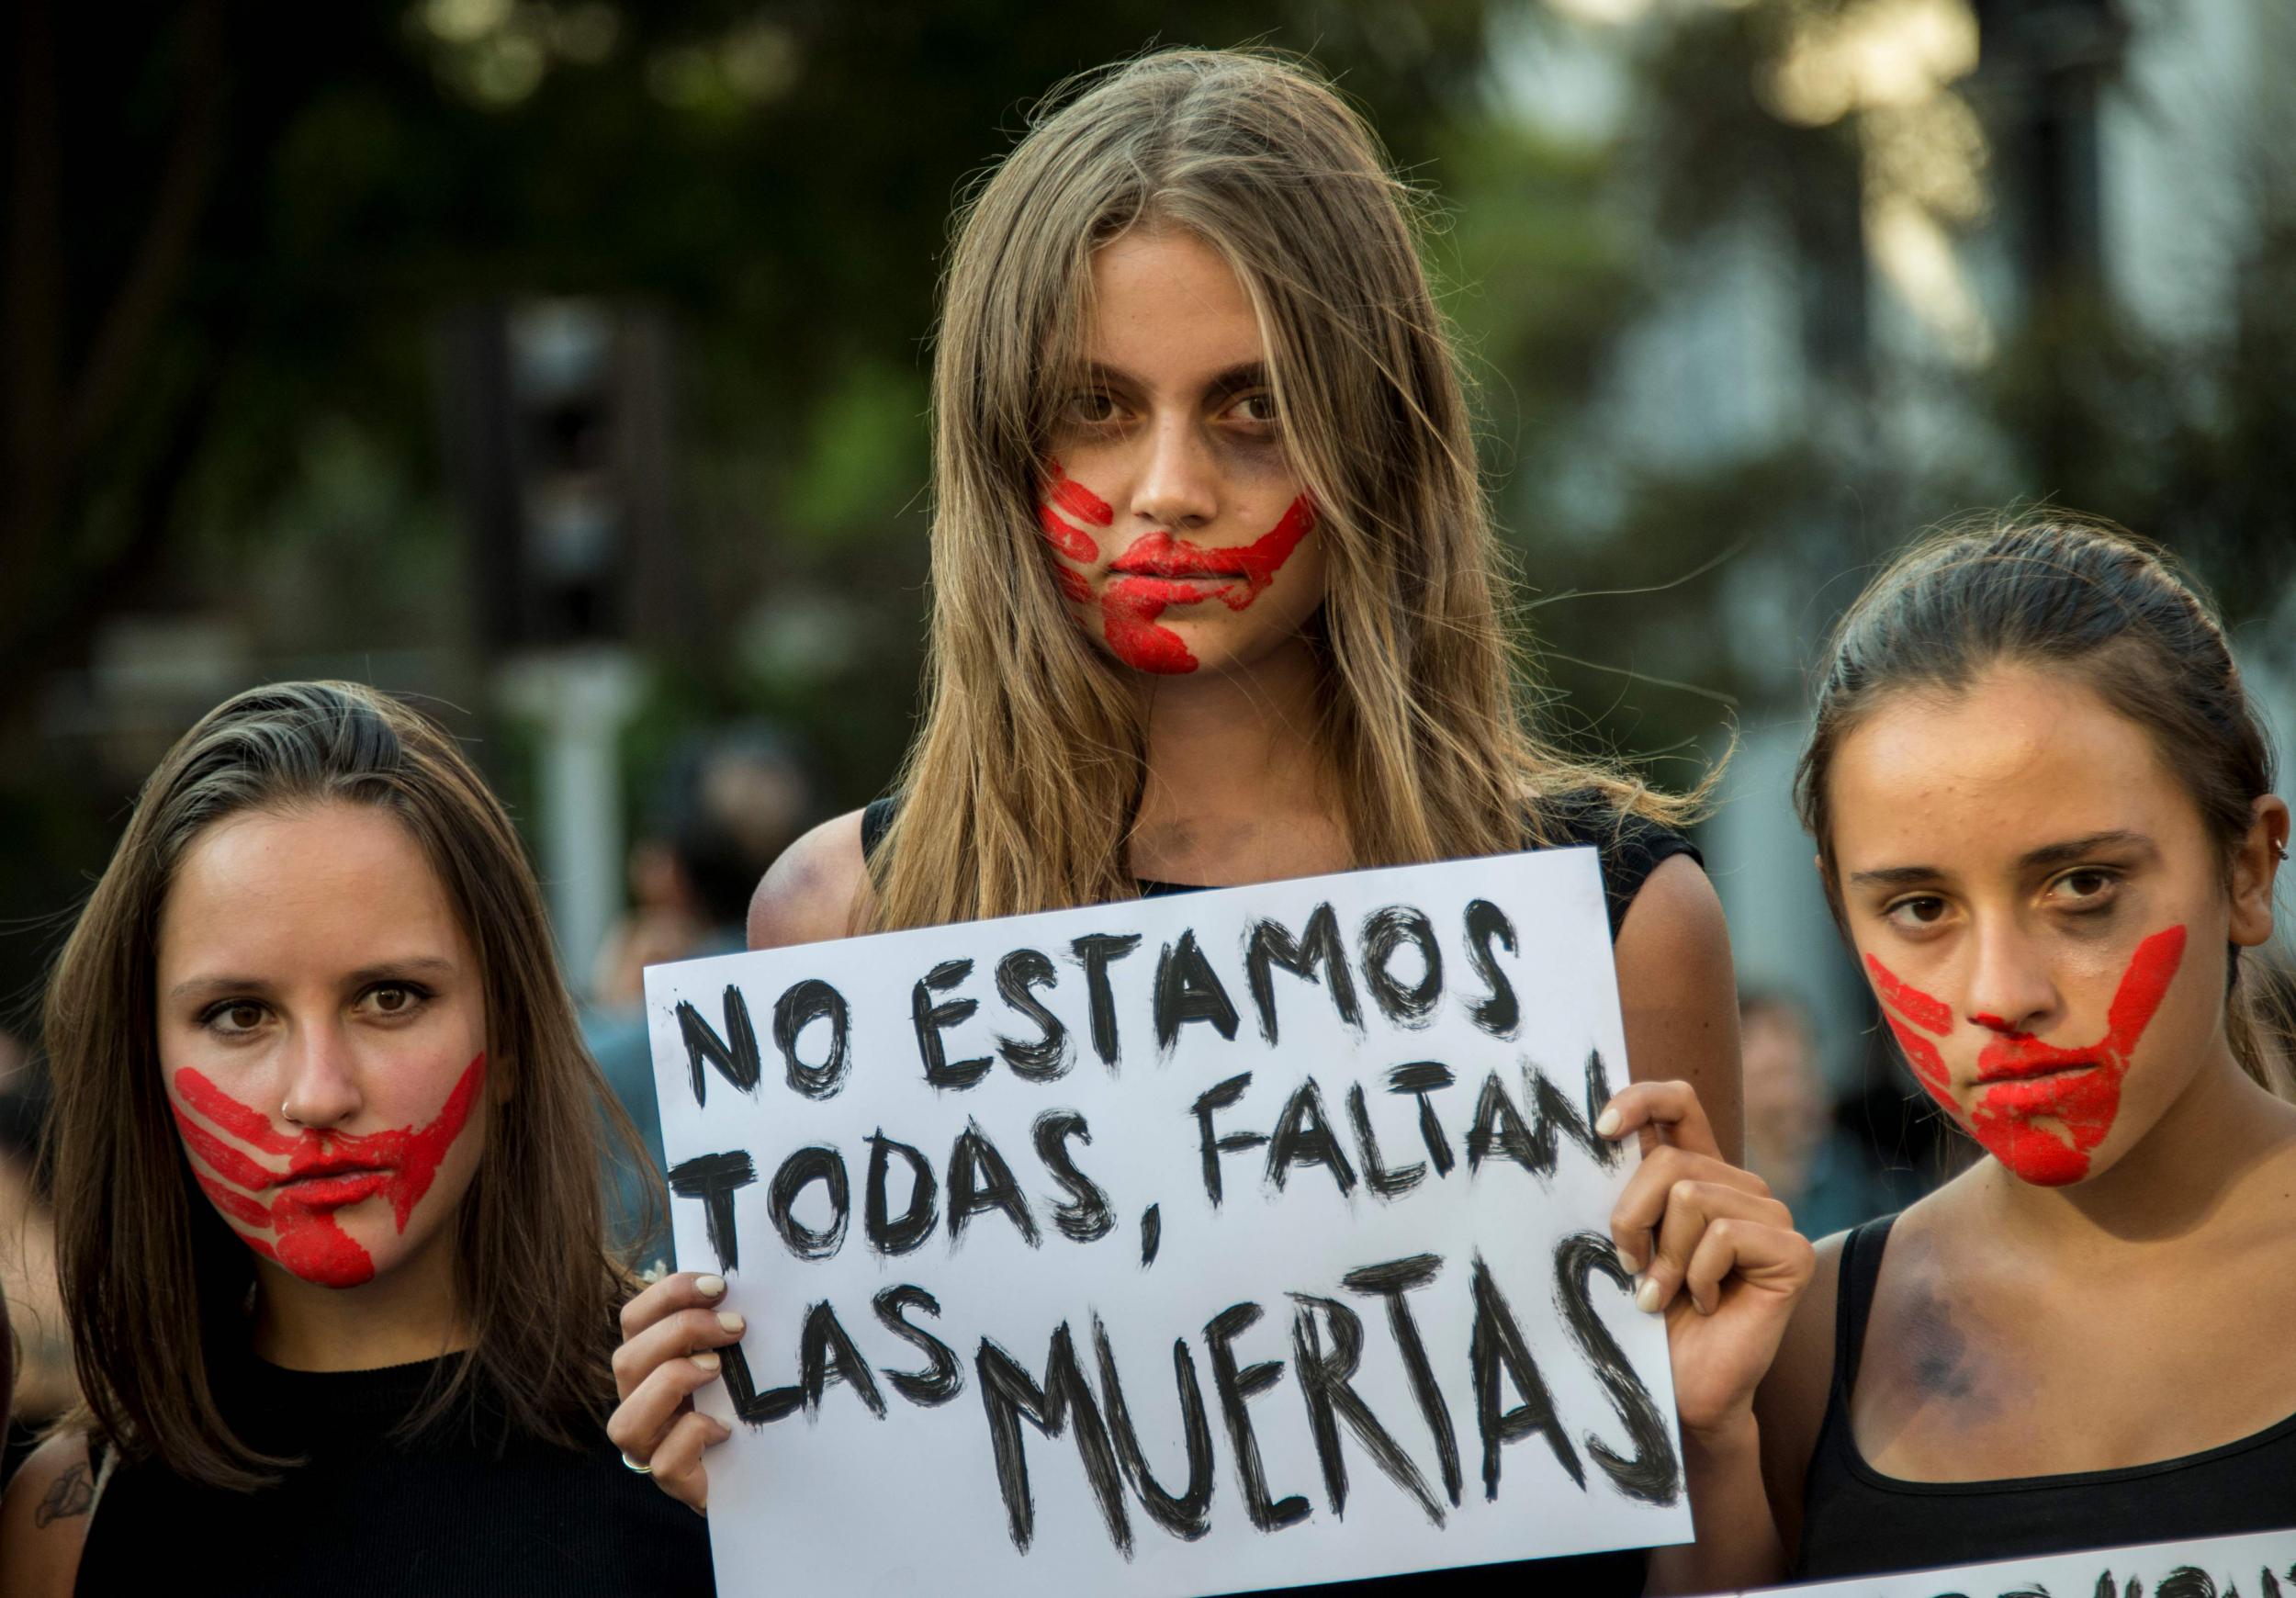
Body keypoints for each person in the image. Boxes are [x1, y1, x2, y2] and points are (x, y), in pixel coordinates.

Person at [605, 46, 1745, 1594]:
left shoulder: (1614, 928)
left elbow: (1724, 1563)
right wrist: (738, 1485)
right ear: (1002, 448)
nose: (1168, 488)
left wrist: (1719, 1430)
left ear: (1382, 436)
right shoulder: (846, 926)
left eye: (1255, 409)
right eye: (1094, 407)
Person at [1638, 516, 2296, 1591]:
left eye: (2082, 886)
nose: (2000, 995)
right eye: (1919, 906)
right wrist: (1707, 1448)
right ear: (1837, 912)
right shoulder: (1792, 1352)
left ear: (2246, 873)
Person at [0, 681, 715, 1597]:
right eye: (239, 1013)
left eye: (390, 998)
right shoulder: (70, 1521)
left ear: (511, 1040)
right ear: (143, 1057)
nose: (318, 1092)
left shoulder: (703, 1440)